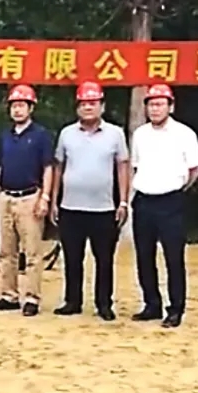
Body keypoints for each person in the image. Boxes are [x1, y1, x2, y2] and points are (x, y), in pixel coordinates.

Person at [50, 81, 131, 321]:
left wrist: (123, 201)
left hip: (104, 208)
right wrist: (53, 200)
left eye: (93, 103)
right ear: (77, 108)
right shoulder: (66, 133)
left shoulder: (115, 134)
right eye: (83, 103)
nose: (88, 107)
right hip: (70, 207)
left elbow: (123, 167)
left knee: (104, 259)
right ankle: (72, 301)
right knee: (72, 258)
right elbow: (58, 167)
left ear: (102, 106)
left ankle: (104, 304)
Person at [130, 83, 198, 328]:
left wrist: (178, 189)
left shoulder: (184, 133)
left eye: (160, 104)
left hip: (171, 201)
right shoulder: (140, 134)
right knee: (144, 256)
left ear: (170, 107)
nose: (155, 109)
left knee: (173, 257)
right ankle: (151, 304)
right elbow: (136, 166)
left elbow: (195, 169)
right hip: (144, 199)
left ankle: (175, 309)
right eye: (151, 104)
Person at [0, 84, 54, 317]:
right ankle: (9, 295)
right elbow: (1, 166)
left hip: (30, 197)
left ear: (31, 108)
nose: (17, 110)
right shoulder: (5, 135)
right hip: (6, 196)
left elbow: (48, 167)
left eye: (21, 105)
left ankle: (32, 297)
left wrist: (45, 197)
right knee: (6, 251)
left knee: (32, 252)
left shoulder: (41, 135)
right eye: (14, 106)